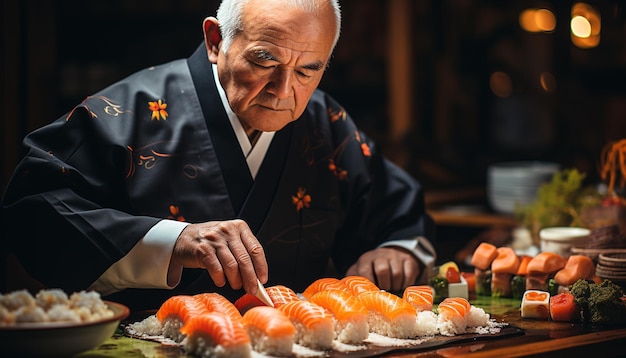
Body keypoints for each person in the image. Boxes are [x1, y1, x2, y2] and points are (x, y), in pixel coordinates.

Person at [0, 0, 436, 310]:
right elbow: (32, 210)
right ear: (215, 40)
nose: (285, 91)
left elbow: (395, 212)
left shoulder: (326, 123)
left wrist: (397, 249)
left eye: (309, 69)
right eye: (264, 61)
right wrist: (173, 241)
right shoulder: (126, 113)